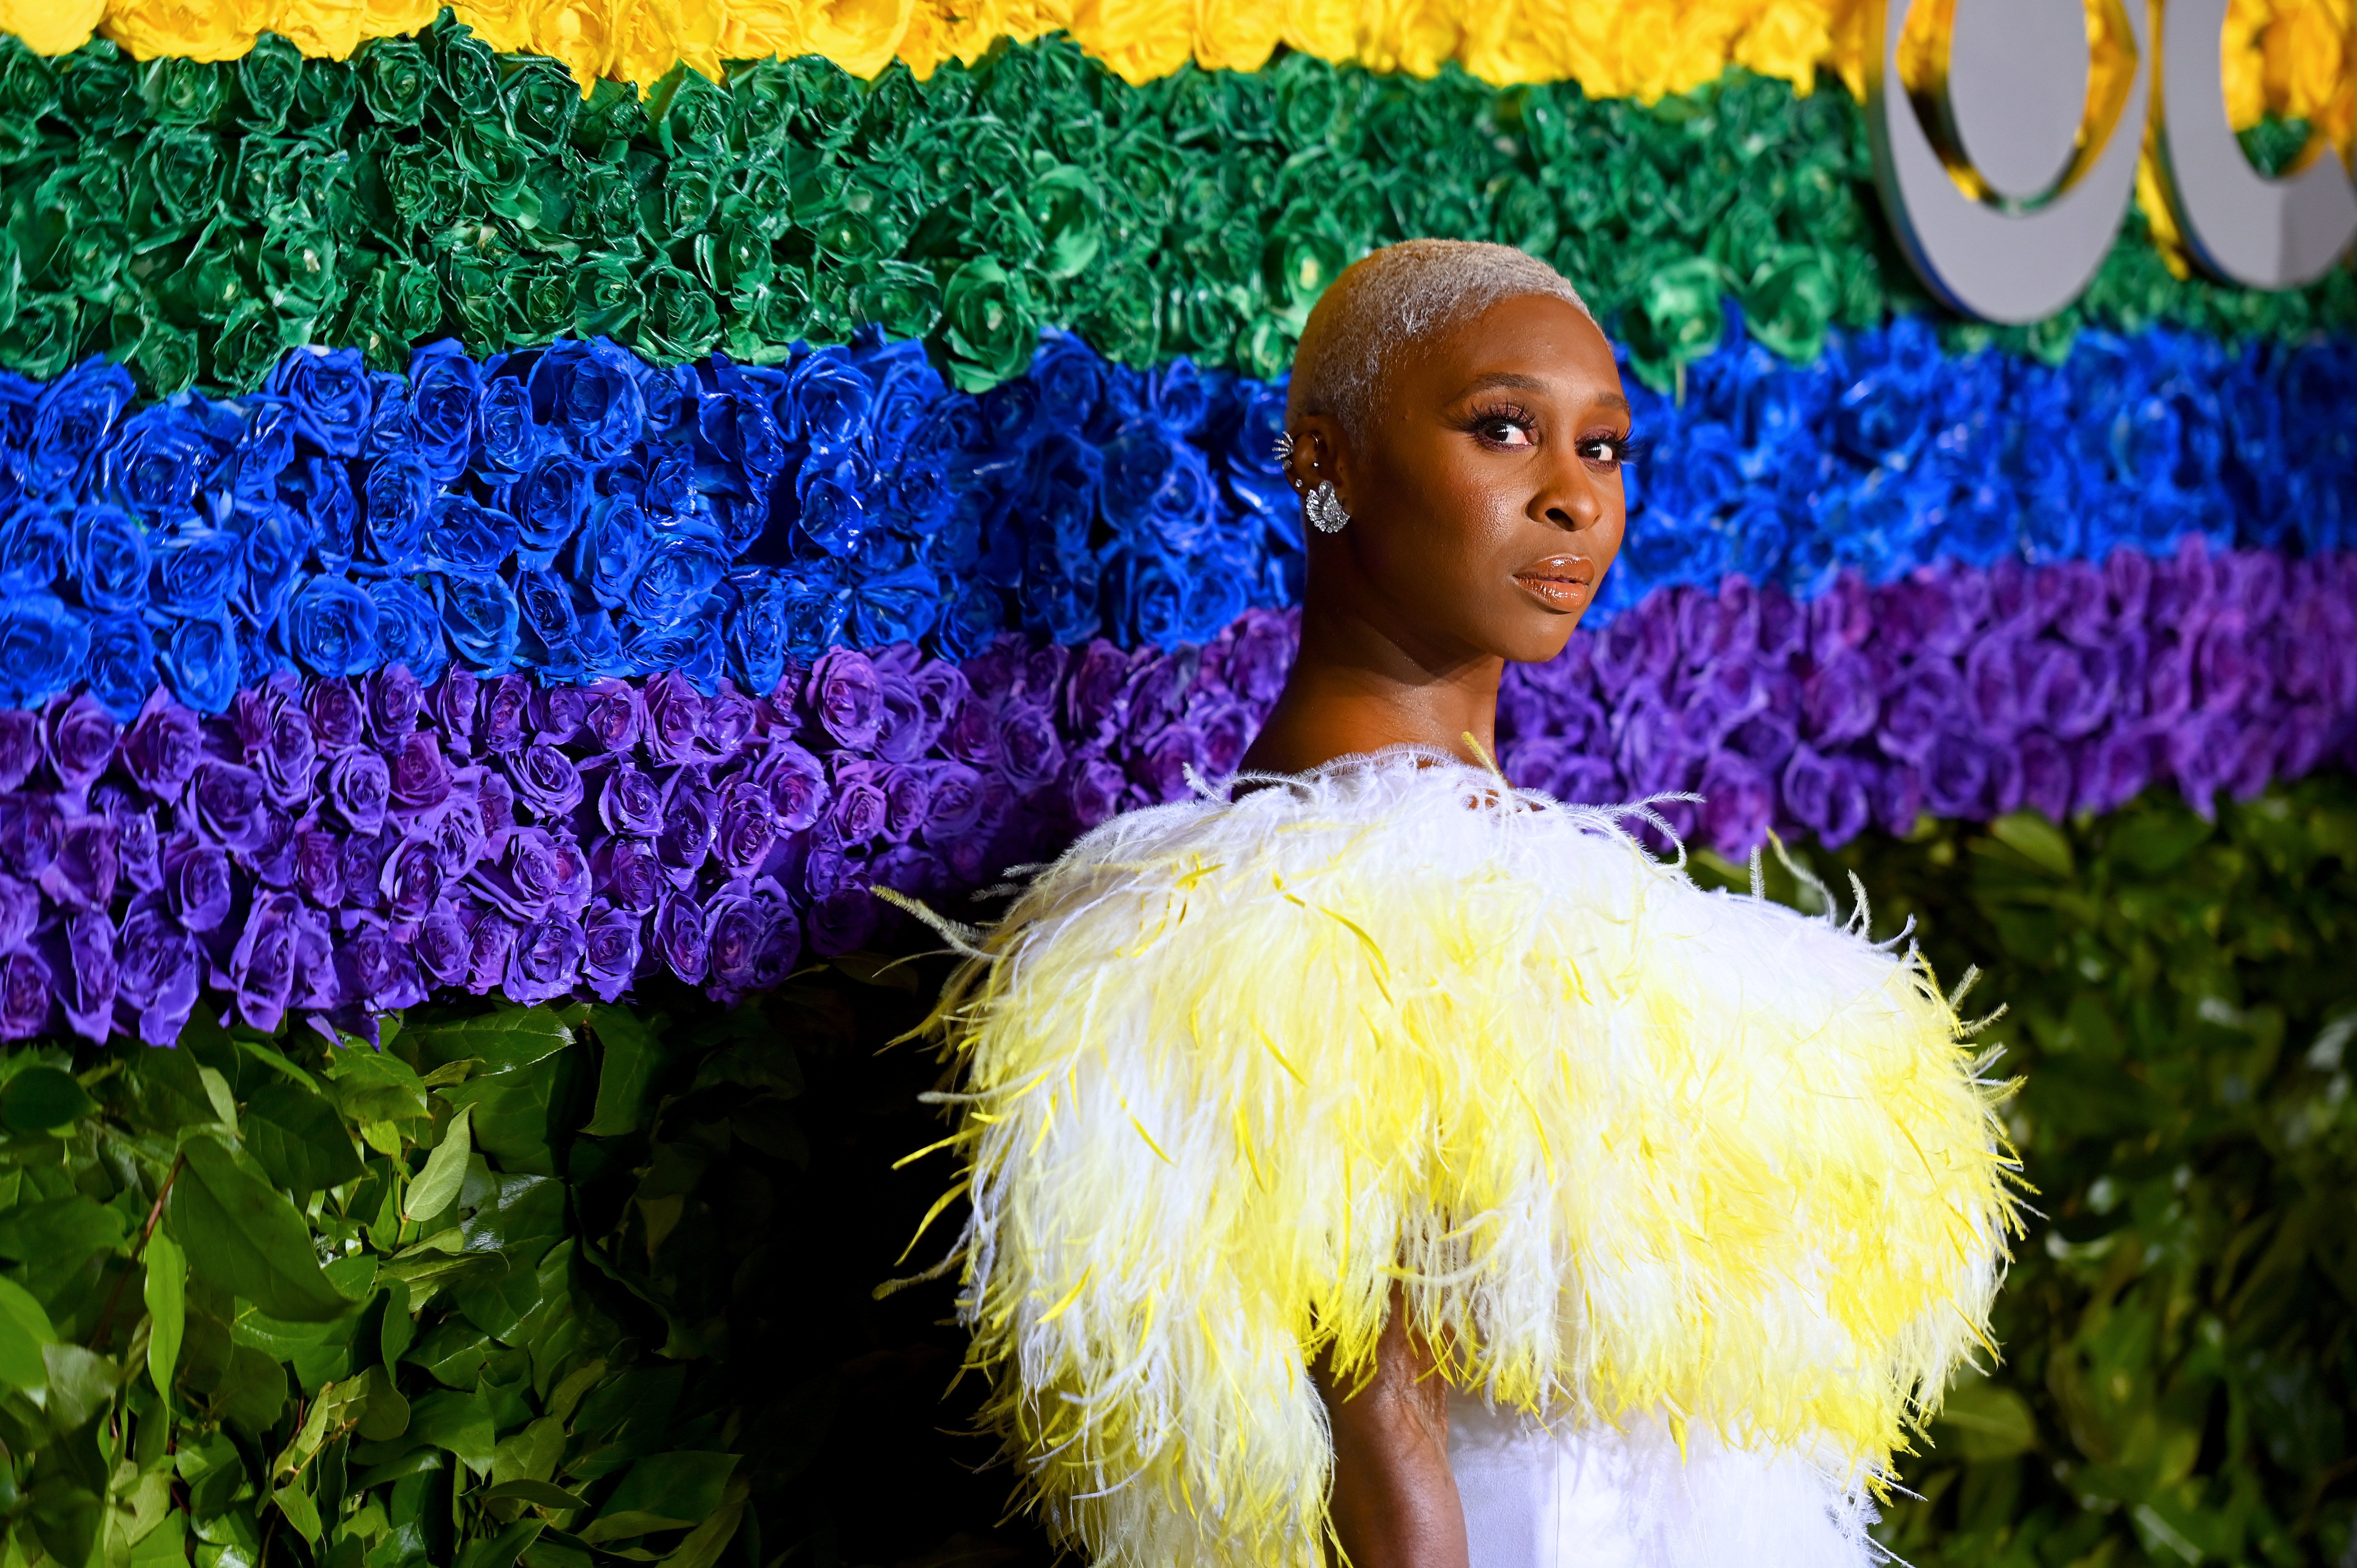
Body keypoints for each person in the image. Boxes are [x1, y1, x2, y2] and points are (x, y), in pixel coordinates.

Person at [904, 240, 2018, 1568]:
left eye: (1602, 449)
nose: (1572, 500)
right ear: (1326, 465)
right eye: (1504, 430)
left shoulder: (1484, 868)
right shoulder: (1318, 910)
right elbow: (1372, 1402)